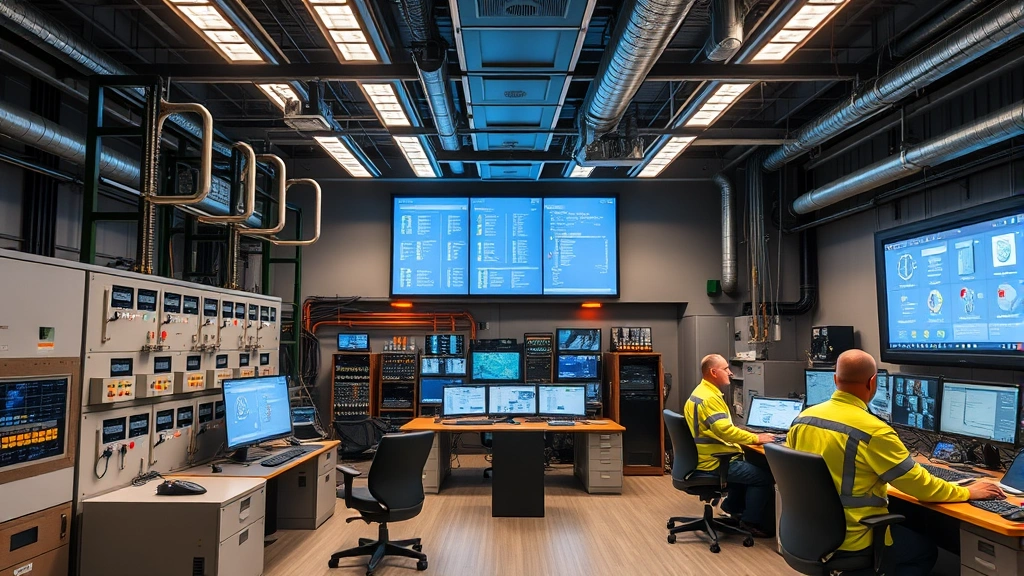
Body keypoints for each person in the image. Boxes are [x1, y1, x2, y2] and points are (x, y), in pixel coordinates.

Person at [787, 349, 1005, 575]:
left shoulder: (802, 419)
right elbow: (923, 487)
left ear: (835, 379)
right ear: (873, 382)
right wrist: (968, 492)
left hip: (809, 533)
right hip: (855, 537)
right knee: (924, 551)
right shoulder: (874, 431)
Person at [684, 354, 775, 536]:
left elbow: (720, 429)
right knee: (764, 477)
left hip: (704, 458)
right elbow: (724, 431)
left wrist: (746, 433)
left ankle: (732, 508)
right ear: (713, 372)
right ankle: (750, 522)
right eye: (726, 369)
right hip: (714, 462)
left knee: (751, 465)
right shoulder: (710, 398)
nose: (730, 373)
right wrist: (757, 439)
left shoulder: (701, 392)